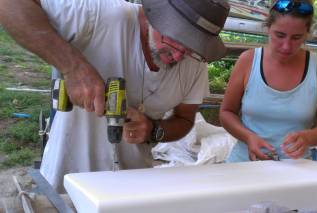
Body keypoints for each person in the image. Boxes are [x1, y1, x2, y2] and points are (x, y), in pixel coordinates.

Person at [0, 0, 230, 192]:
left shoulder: (195, 64)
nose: (180, 55)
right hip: (66, 181)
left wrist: (153, 129)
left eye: (192, 47)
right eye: (176, 39)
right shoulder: (99, 16)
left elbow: (185, 120)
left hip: (132, 189)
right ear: (154, 14)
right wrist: (73, 67)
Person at [219, 0, 317, 162]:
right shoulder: (248, 60)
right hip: (245, 164)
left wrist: (308, 137)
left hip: (296, 168)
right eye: (279, 35)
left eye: (296, 38)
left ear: (307, 34)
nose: (286, 46)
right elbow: (226, 112)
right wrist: (248, 137)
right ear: (268, 28)